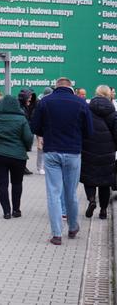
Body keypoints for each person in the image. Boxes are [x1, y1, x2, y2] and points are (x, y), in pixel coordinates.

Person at [30, 77, 93, 245]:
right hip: (73, 152)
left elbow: (34, 127)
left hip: (51, 152)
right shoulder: (81, 103)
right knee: (71, 193)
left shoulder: (45, 102)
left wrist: (45, 132)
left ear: (56, 87)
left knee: (53, 194)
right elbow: (89, 131)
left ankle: (56, 234)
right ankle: (72, 227)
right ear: (71, 88)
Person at [0, 95, 33, 219]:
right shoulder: (22, 119)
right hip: (18, 156)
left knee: (2, 184)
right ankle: (16, 210)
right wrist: (26, 148)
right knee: (17, 183)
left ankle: (6, 211)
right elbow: (28, 137)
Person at [80, 85, 117, 220]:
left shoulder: (87, 109)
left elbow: (82, 128)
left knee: (89, 178)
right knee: (105, 182)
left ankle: (91, 200)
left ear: (96, 93)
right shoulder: (113, 111)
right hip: (107, 151)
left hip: (89, 148)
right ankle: (103, 210)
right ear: (108, 95)